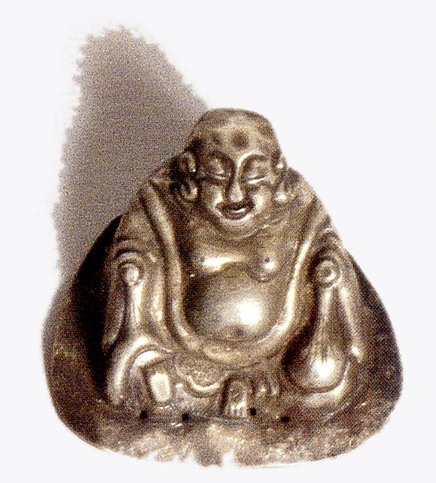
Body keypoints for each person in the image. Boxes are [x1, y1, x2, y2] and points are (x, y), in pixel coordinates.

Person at [102, 109, 371, 419]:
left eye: (254, 180)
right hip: (181, 351)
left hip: (278, 354)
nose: (235, 194)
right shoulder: (163, 199)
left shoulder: (298, 206)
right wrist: (133, 266)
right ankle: (199, 391)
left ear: (276, 175)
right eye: (217, 178)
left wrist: (328, 267)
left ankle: (245, 390)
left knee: (328, 381)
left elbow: (325, 243)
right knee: (134, 381)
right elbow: (134, 243)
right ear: (191, 174)